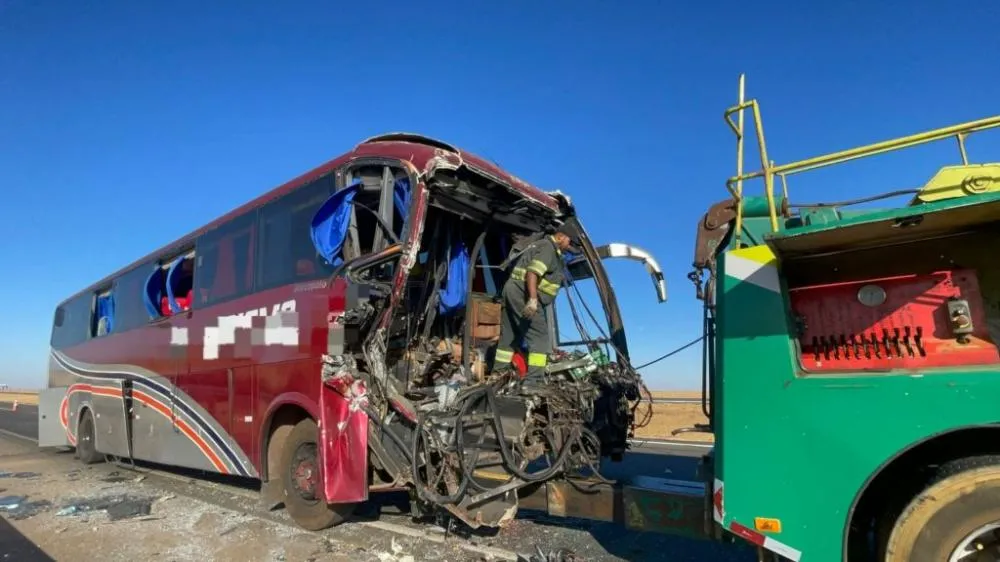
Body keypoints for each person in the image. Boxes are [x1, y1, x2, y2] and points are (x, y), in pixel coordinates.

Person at [492, 224, 577, 388]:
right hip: (523, 293)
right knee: (540, 337)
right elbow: (533, 272)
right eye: (569, 242)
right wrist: (532, 299)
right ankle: (534, 382)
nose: (569, 247)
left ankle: (498, 374)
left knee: (509, 337)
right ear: (560, 237)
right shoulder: (548, 248)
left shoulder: (545, 248)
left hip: (512, 291)